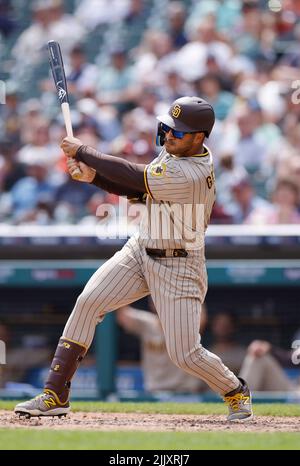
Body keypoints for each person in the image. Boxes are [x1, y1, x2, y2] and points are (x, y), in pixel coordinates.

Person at [15, 96, 253, 421]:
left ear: (200, 137)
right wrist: (93, 178)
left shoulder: (194, 171)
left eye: (179, 132)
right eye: (167, 128)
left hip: (179, 265)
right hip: (141, 248)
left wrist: (83, 151)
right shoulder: (176, 151)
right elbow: (141, 191)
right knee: (88, 302)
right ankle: (55, 393)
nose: (169, 136)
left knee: (184, 354)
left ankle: (234, 390)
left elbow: (133, 174)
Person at [116, 302, 208, 394]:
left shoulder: (183, 325)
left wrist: (196, 293)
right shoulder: (146, 322)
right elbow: (122, 313)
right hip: (155, 388)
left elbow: (200, 320)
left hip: (183, 389)